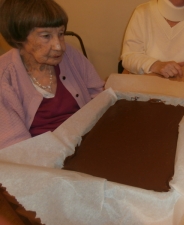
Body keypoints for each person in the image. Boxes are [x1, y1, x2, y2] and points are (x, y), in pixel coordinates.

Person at [0, 0, 105, 150]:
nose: (59, 46)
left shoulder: (71, 54)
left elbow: (98, 95)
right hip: (42, 157)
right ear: (19, 37)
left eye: (61, 34)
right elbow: (15, 146)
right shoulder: (4, 76)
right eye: (46, 36)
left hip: (85, 142)